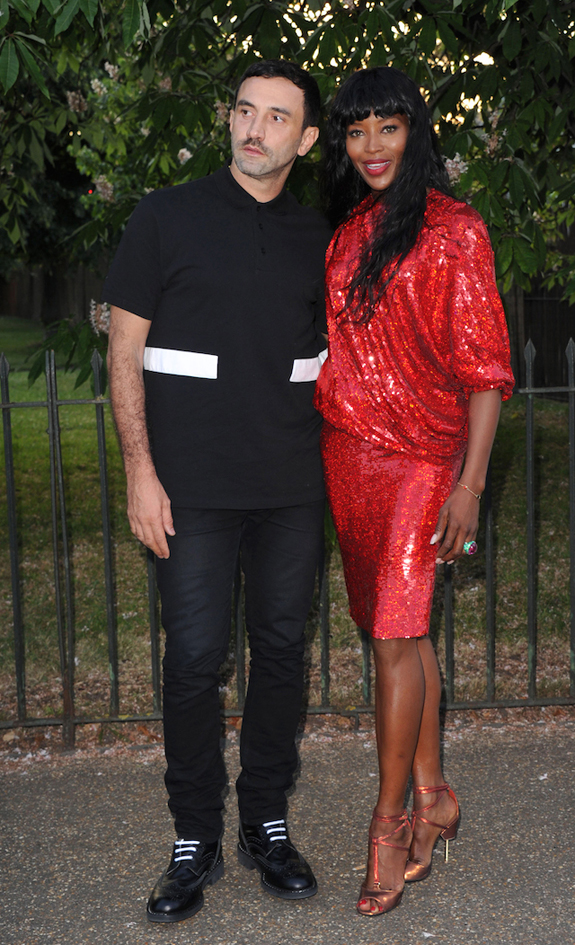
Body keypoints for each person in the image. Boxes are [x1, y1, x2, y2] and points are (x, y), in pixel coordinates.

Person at [102, 59, 332, 923]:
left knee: (281, 651)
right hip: (188, 486)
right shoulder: (165, 216)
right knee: (194, 660)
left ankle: (265, 820)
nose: (254, 128)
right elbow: (124, 351)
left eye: (276, 117)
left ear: (306, 139)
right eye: (244, 110)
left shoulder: (322, 234)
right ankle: (193, 834)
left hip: (291, 483)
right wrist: (139, 470)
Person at [314, 67, 514, 918]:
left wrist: (469, 482)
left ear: (414, 133)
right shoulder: (345, 234)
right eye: (355, 130)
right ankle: (434, 794)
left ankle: (388, 824)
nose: (370, 147)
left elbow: (486, 371)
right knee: (397, 632)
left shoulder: (454, 230)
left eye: (386, 128)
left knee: (394, 639)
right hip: (349, 457)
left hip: (425, 464)